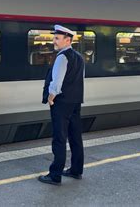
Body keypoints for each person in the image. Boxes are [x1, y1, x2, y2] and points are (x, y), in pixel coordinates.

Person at [38, 25, 85, 186]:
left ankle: (55, 175)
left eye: (57, 38)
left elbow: (57, 82)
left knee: (59, 138)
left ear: (68, 40)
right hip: (75, 102)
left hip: (61, 102)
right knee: (75, 137)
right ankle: (76, 170)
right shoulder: (79, 57)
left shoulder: (62, 57)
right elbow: (79, 80)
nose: (54, 41)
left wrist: (51, 98)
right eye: (55, 38)